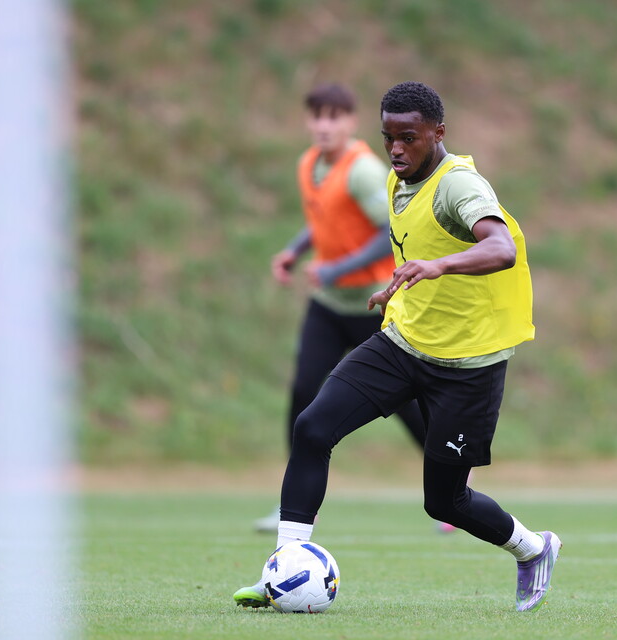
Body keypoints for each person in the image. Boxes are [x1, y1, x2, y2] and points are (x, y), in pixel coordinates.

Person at [236, 81, 560, 612]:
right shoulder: (396, 180)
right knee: (313, 428)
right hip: (403, 343)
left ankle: (533, 549)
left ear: (439, 133)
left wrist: (437, 266)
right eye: (388, 137)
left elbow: (499, 247)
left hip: (467, 366)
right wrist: (394, 286)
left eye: (408, 138)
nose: (396, 150)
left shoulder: (461, 186)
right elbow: (413, 246)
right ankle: (285, 567)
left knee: (444, 500)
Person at [253, 83, 428, 534]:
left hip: (374, 302)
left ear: (351, 122)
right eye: (317, 116)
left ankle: (453, 484)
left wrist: (336, 268)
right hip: (329, 307)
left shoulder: (365, 171)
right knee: (303, 394)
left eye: (335, 116)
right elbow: (321, 221)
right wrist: (294, 252)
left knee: (407, 403)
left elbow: (387, 227)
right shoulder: (308, 164)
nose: (324, 125)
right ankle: (289, 502)